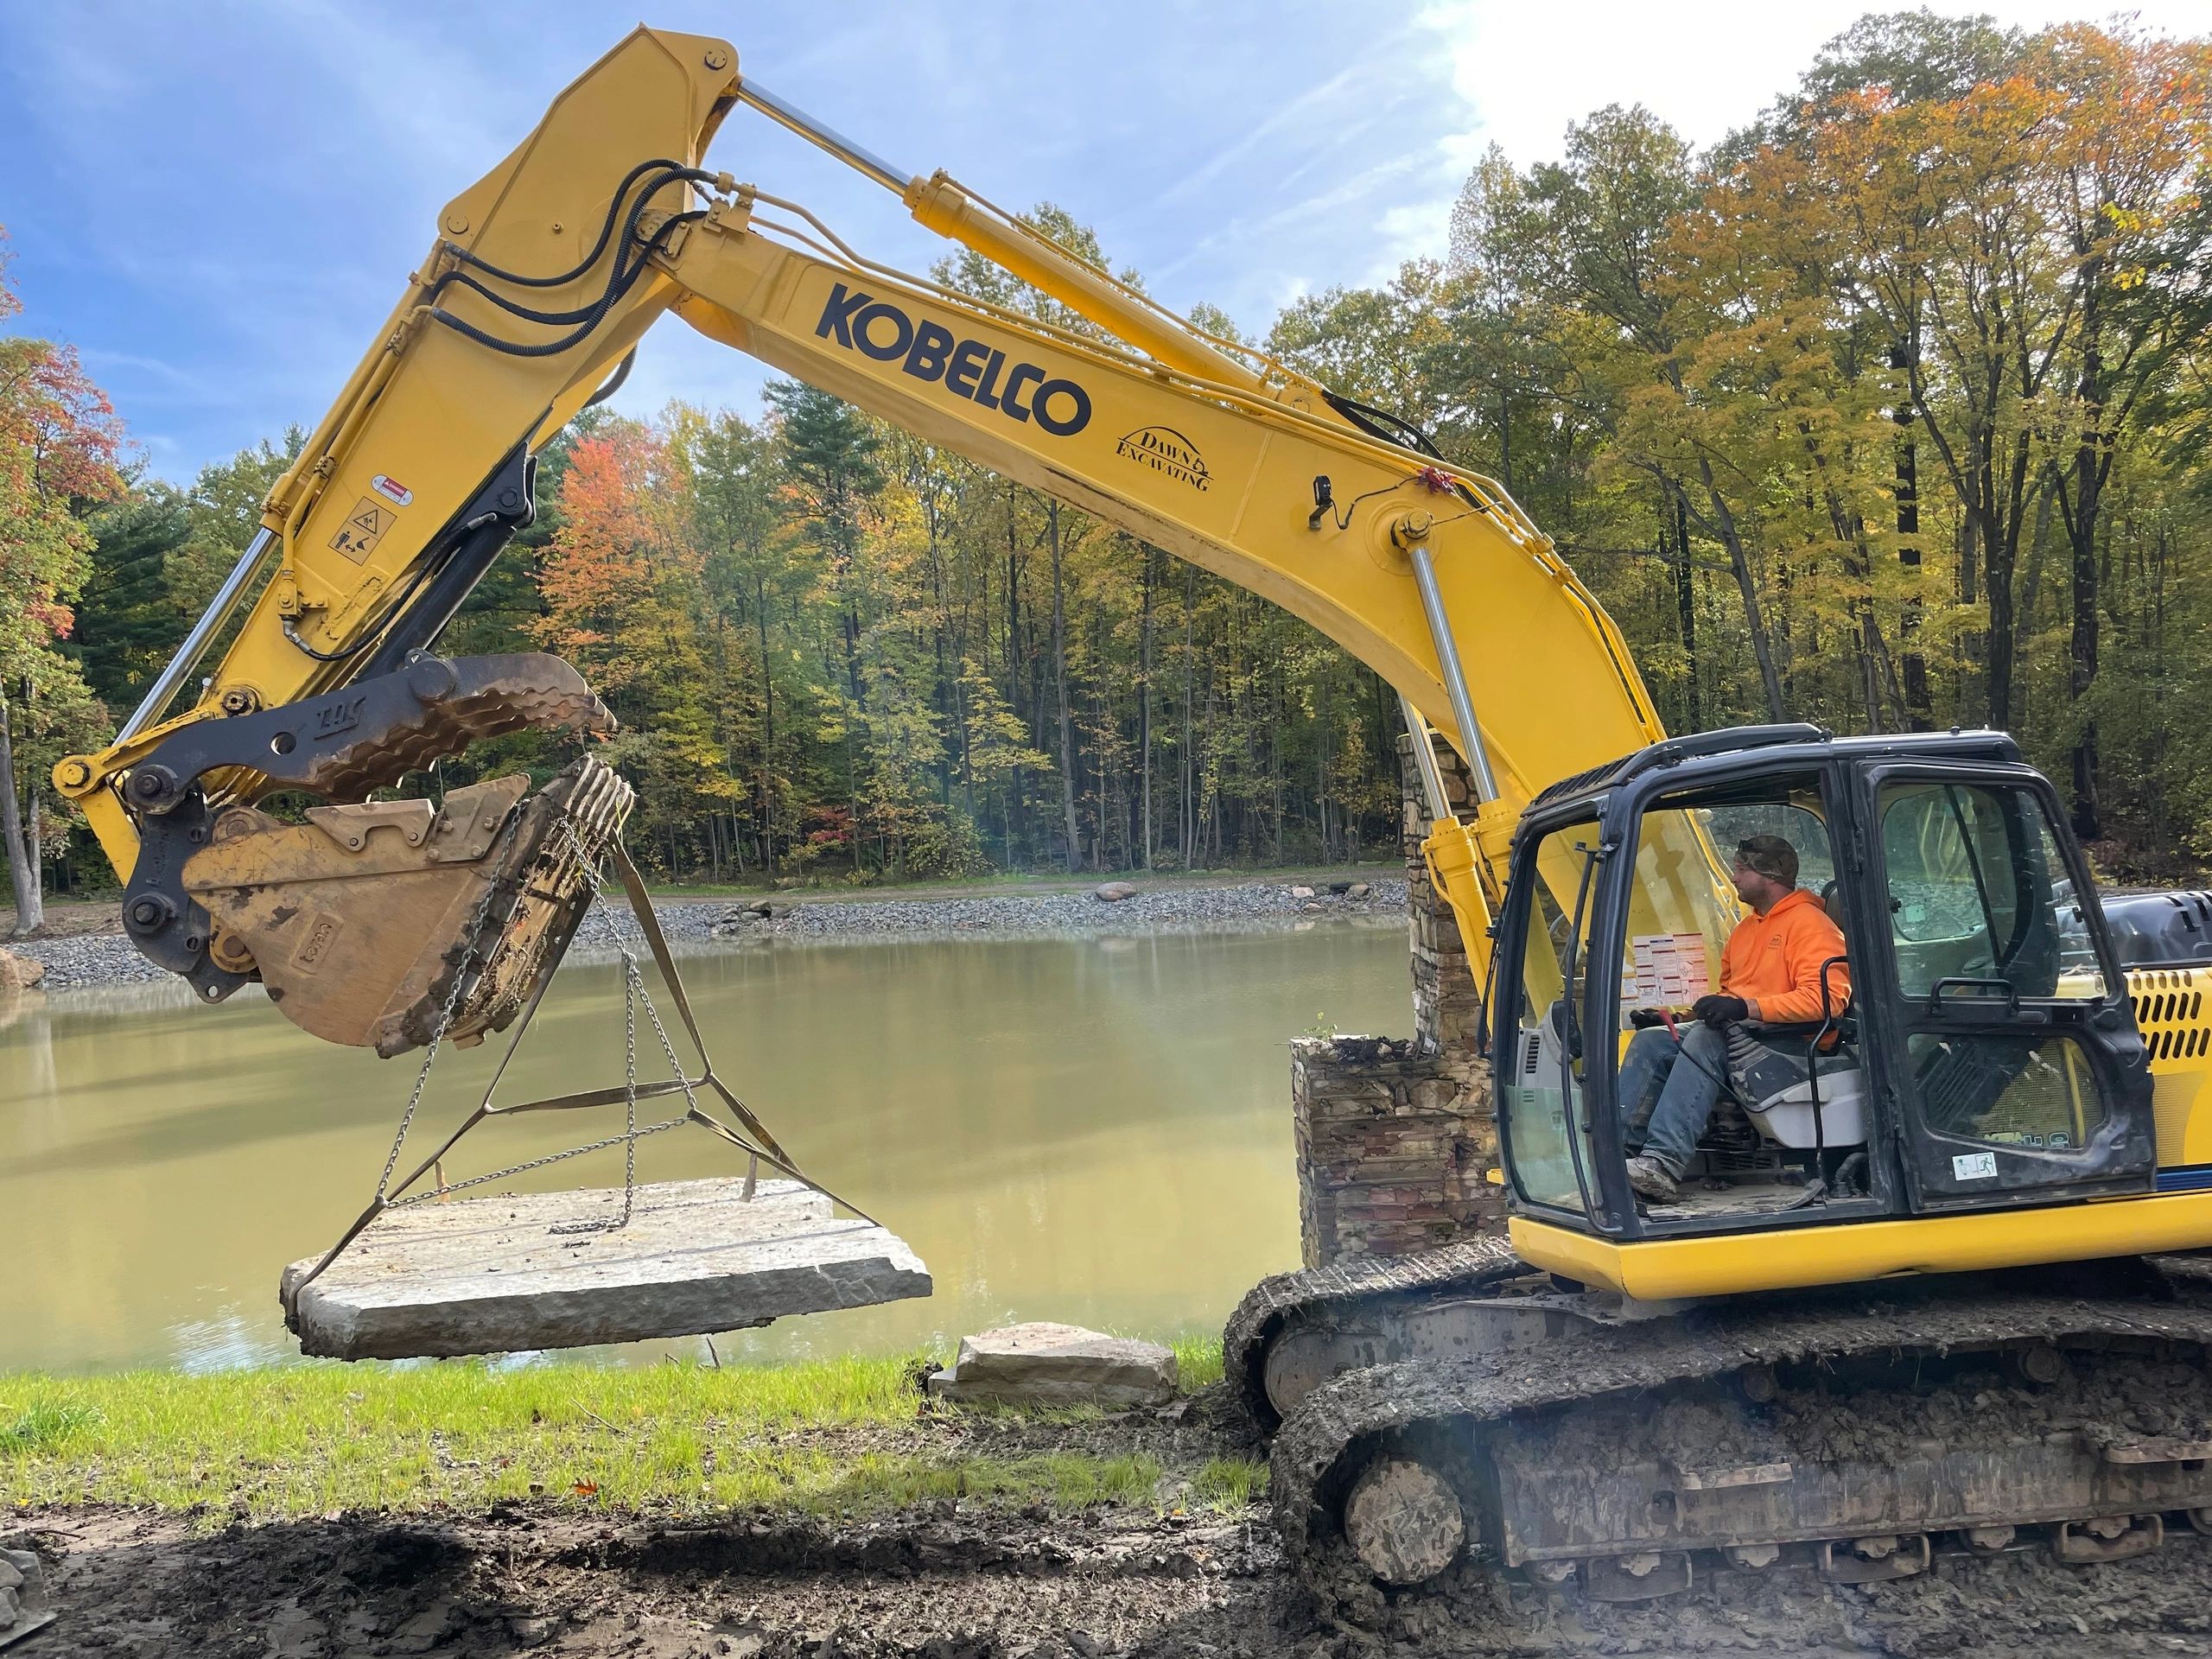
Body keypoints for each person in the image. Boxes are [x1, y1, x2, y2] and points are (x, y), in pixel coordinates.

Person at [1620, 834, 1851, 1205]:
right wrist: (1681, 1017)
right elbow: (1731, 996)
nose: (1733, 877)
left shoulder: (1811, 924)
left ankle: (1662, 1162)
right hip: (1750, 1030)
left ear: (1770, 875)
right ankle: (1622, 1156)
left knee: (1708, 1039)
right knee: (1653, 1042)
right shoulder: (1746, 930)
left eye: (1742, 869)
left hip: (1795, 1041)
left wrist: (1746, 1009)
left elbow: (1827, 1001)